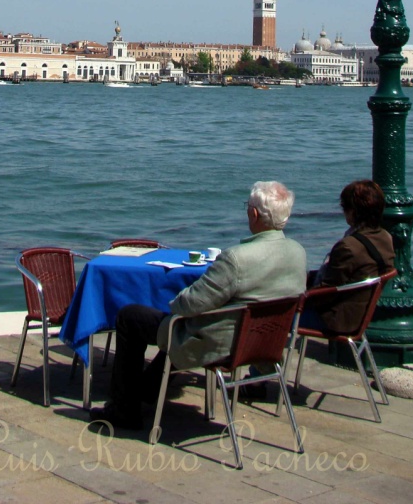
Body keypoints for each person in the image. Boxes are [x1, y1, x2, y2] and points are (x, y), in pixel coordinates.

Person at [89, 180, 307, 430]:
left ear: (254, 214)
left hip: (221, 344)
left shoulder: (237, 258)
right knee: (177, 323)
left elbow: (189, 304)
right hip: (266, 342)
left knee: (131, 317)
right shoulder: (297, 253)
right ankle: (148, 388)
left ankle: (124, 409)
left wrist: (173, 299)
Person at [308, 179, 395, 334]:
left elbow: (327, 291)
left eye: (344, 208)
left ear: (353, 212)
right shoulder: (385, 237)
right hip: (361, 313)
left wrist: (300, 296)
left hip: (338, 319)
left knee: (279, 317)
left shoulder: (348, 246)